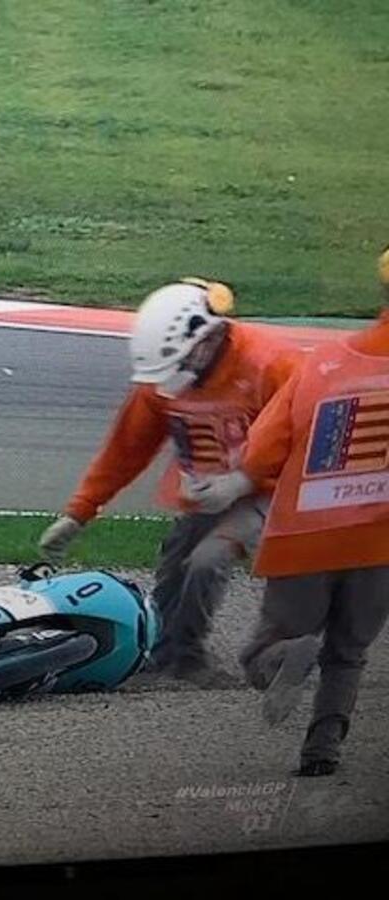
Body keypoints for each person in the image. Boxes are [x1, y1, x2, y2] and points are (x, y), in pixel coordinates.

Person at [38, 278, 301, 685]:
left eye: (180, 363)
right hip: (205, 489)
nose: (174, 378)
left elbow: (304, 438)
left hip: (272, 490)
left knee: (207, 560)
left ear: (209, 337)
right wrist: (78, 513)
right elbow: (126, 449)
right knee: (176, 563)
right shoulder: (161, 382)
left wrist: (243, 482)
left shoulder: (273, 365)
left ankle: (189, 659)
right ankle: (157, 652)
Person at [192, 248, 389, 776]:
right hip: (380, 545)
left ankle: (288, 654)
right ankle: (323, 748)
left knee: (262, 651)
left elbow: (261, 451)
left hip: (304, 537)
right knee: (349, 652)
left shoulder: (322, 363)